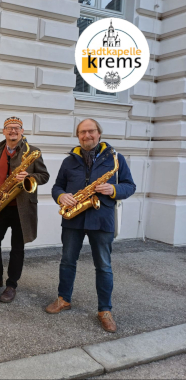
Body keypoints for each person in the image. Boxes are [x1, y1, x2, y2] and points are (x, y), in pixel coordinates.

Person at [46, 118, 136, 333]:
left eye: (91, 131)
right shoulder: (70, 160)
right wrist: (61, 196)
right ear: (78, 136)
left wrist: (113, 190)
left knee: (103, 265)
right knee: (67, 261)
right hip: (73, 218)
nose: (87, 135)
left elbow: (129, 186)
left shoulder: (115, 158)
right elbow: (57, 186)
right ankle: (63, 299)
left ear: (99, 133)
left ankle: (105, 310)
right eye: (82, 132)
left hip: (101, 218)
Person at [0, 117, 49, 303]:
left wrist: (30, 176)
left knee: (18, 248)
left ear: (22, 131)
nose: (13, 131)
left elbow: (44, 176)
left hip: (21, 209)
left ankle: (11, 285)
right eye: (9, 128)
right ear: (3, 131)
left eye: (17, 128)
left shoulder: (32, 152)